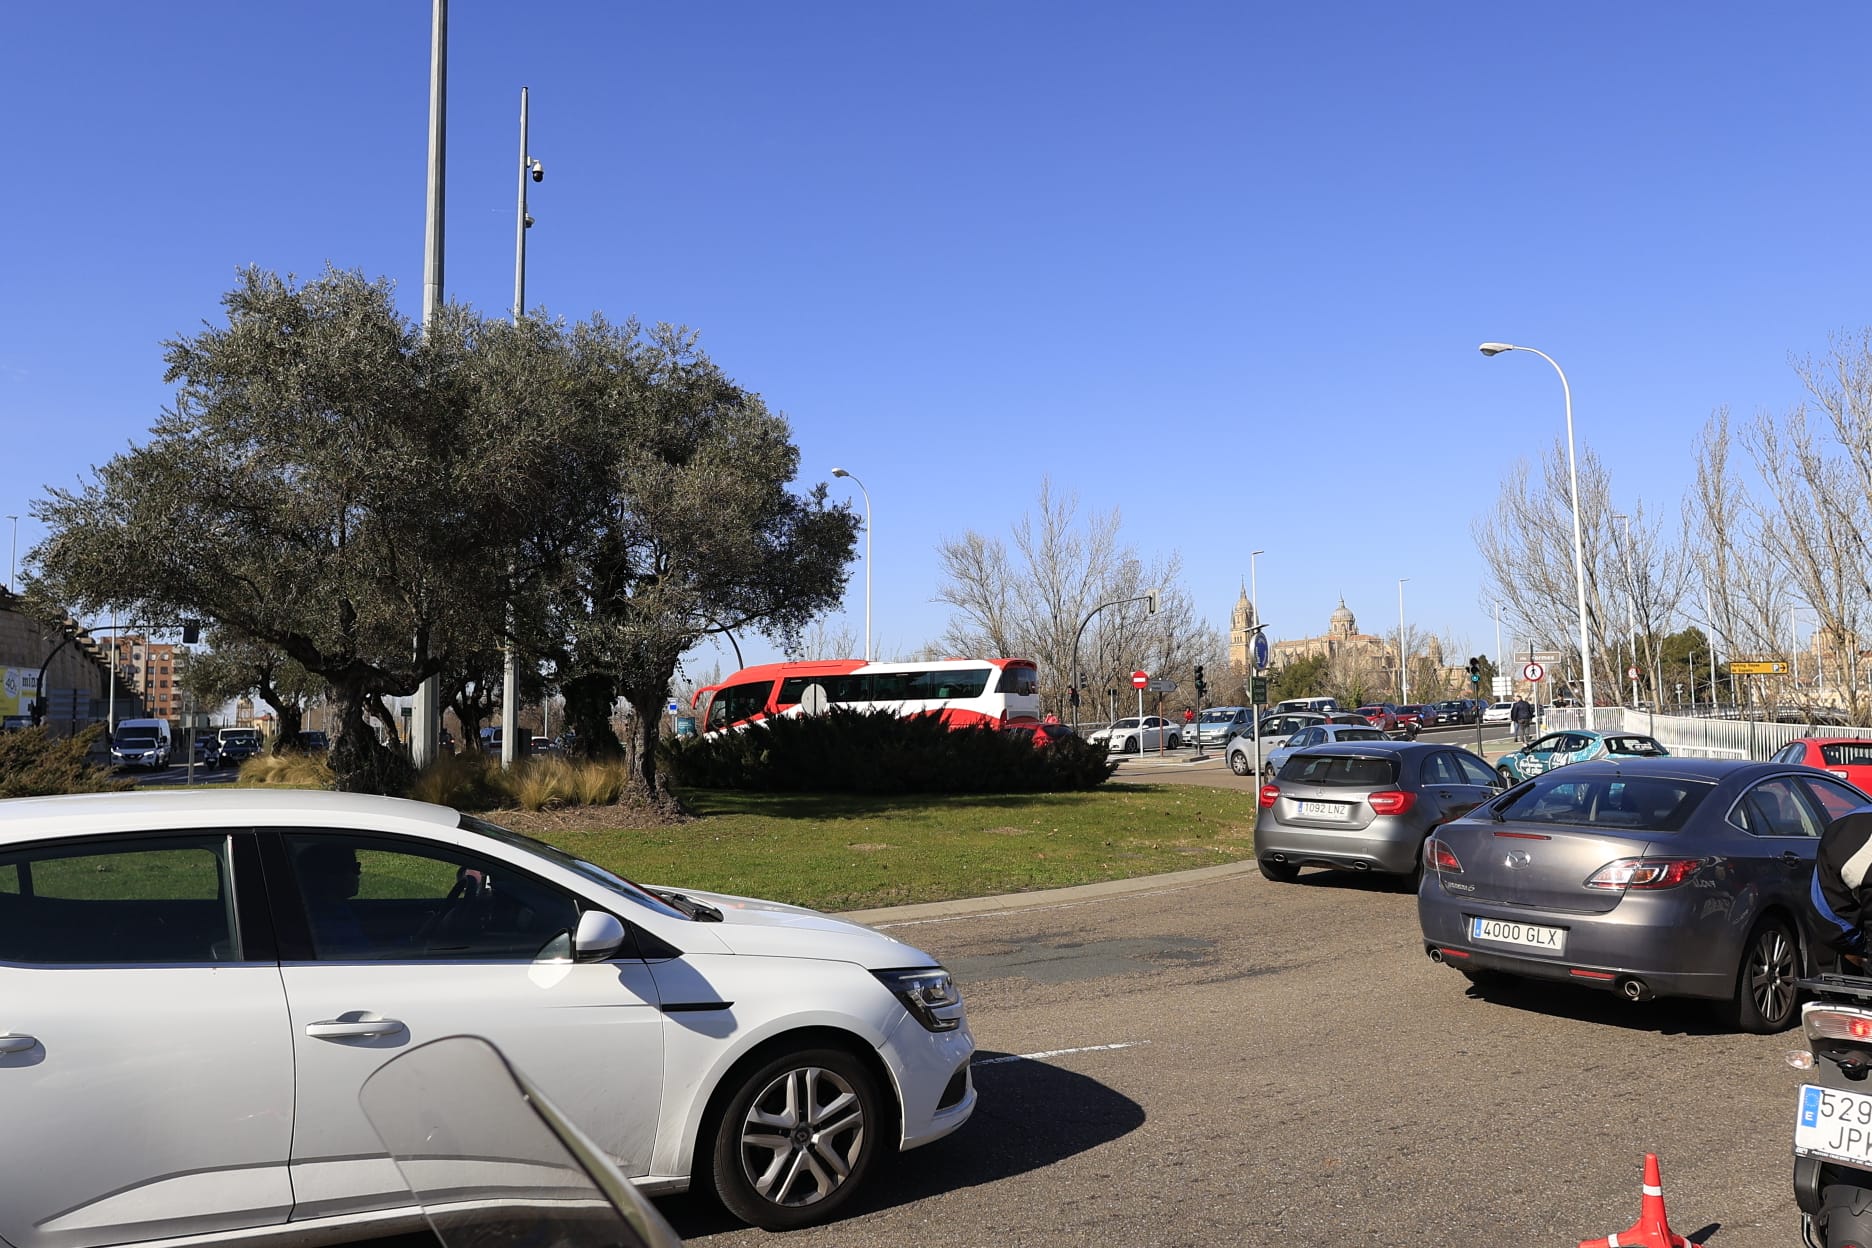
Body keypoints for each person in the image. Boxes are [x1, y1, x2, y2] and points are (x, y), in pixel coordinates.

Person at [296, 841, 371, 957]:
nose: (359, 873)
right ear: (332, 876)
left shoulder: (334, 909)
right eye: (355, 868)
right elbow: (359, 955)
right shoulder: (327, 923)